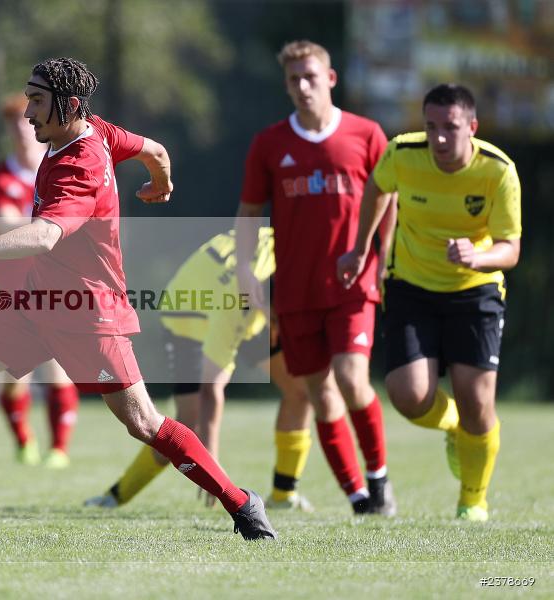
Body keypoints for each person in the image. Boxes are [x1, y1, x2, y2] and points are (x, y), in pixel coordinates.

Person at [0, 57, 277, 540]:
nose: (28, 113)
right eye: (29, 99)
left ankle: (242, 503)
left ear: (70, 104)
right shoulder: (97, 130)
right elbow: (156, 150)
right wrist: (161, 183)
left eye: (37, 101)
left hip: (87, 315)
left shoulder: (79, 166)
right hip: (36, 304)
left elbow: (44, 237)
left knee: (144, 423)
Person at [337, 84, 521, 522]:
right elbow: (377, 188)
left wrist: (477, 257)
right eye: (431, 126)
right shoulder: (403, 153)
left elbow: (510, 249)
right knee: (408, 396)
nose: (438, 137)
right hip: (412, 286)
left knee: (478, 404)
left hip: (475, 291)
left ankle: (472, 501)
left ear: (472, 127)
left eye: (450, 127)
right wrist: (361, 249)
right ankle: (454, 425)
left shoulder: (497, 170)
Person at [235, 40, 397, 515]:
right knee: (320, 395)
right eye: (294, 79)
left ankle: (379, 478)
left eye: (310, 76)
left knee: (351, 377)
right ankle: (360, 498)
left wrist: (383, 256)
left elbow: (389, 197)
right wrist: (246, 271)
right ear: (286, 86)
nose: (303, 86)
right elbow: (249, 212)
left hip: (352, 284)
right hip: (295, 290)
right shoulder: (269, 143)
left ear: (330, 78)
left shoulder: (367, 133)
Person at [85, 228, 315, 512]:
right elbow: (211, 390)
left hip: (240, 297)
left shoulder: (291, 256)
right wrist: (212, 463)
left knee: (300, 391)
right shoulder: (239, 304)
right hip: (189, 312)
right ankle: (116, 495)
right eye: (280, 321)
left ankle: (284, 495)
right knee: (188, 422)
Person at [0, 94, 80, 469]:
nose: (22, 130)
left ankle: (59, 450)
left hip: (55, 286)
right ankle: (24, 441)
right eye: (14, 124)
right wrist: (50, 228)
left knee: (56, 366)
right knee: (14, 375)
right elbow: (4, 225)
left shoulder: (60, 167)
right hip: (13, 289)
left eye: (27, 121)